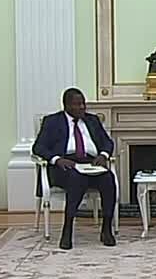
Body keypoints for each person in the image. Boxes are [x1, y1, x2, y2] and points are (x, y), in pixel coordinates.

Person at [32, 88, 118, 249]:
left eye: (83, 104)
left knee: (108, 179)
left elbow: (107, 142)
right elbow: (38, 147)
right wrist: (57, 160)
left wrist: (103, 155)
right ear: (66, 106)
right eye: (77, 104)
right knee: (76, 179)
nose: (82, 107)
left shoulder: (92, 120)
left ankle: (106, 229)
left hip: (91, 164)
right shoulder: (52, 121)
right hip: (65, 165)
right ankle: (67, 229)